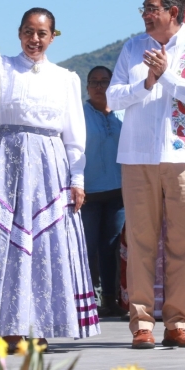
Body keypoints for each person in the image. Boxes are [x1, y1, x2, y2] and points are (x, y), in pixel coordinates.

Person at [0, 0, 99, 349]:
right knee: (4, 243)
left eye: (42, 33)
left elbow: (75, 134)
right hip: (6, 163)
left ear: (53, 37)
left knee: (48, 245)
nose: (35, 40)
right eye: (29, 32)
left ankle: (40, 327)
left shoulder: (66, 78)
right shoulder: (0, 66)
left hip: (51, 167)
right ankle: (7, 329)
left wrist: (77, 179)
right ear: (20, 34)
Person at [107, 0, 185, 349]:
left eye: (152, 8)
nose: (145, 13)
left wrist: (168, 75)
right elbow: (112, 97)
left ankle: (177, 323)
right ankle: (142, 323)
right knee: (140, 242)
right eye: (145, 7)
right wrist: (148, 81)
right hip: (138, 157)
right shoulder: (132, 48)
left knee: (181, 242)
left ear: (174, 11)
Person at [81, 65, 126, 317]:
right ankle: (88, 301)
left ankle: (110, 300)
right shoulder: (79, 114)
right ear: (87, 87)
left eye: (105, 81)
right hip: (88, 193)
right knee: (87, 248)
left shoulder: (123, 114)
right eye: (94, 82)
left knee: (111, 247)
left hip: (118, 192)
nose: (100, 87)